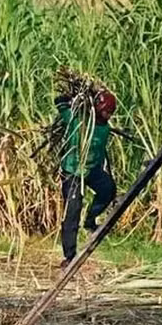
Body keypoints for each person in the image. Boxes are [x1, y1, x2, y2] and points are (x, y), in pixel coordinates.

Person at [58, 90, 117, 268]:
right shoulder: (77, 121)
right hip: (73, 172)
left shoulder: (105, 129)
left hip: (91, 170)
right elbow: (60, 105)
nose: (108, 116)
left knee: (108, 189)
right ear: (97, 109)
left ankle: (91, 219)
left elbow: (99, 152)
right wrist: (65, 100)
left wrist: (100, 171)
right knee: (72, 211)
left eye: (110, 113)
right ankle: (70, 256)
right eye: (106, 112)